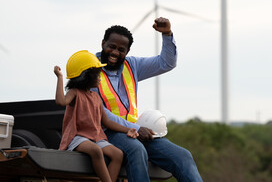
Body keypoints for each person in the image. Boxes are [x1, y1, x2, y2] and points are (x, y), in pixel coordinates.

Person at [92, 17, 203, 182]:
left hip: (135, 132)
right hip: (107, 132)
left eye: (121, 49)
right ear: (103, 44)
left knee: (183, 156)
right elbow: (102, 114)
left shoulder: (132, 65)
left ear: (127, 52)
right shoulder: (90, 69)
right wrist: (135, 128)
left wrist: (167, 34)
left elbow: (166, 63)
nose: (115, 52)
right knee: (137, 150)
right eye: (112, 47)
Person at [54, 50, 139, 182]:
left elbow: (107, 122)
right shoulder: (74, 93)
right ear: (87, 76)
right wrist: (59, 77)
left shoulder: (96, 97)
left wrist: (127, 129)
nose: (100, 78)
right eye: (97, 75)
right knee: (96, 151)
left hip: (95, 137)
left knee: (118, 154)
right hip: (78, 137)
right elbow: (61, 101)